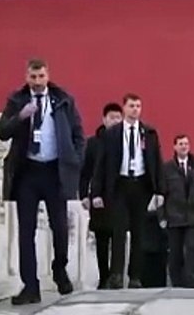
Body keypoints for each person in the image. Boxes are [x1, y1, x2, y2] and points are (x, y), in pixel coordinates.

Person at [0, 58, 85, 305]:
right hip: (28, 172)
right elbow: (2, 131)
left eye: (41, 77)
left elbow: (78, 133)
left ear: (48, 76)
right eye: (32, 77)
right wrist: (20, 117)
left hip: (55, 171)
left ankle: (59, 268)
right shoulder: (17, 100)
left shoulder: (63, 100)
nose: (36, 82)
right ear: (27, 77)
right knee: (26, 230)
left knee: (60, 227)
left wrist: (75, 160)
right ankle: (30, 286)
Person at [91, 92, 165, 289]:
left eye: (138, 106)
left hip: (141, 185)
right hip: (119, 186)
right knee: (119, 231)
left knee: (140, 233)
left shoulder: (148, 133)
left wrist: (160, 191)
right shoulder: (112, 133)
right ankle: (116, 274)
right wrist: (96, 192)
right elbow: (101, 163)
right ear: (124, 108)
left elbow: (156, 162)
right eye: (131, 106)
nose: (135, 110)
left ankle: (135, 276)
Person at [80, 101, 123, 287]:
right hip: (99, 198)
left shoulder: (126, 141)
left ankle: (117, 276)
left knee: (119, 238)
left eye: (118, 118)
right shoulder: (93, 143)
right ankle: (104, 276)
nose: (115, 121)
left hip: (120, 197)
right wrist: (83, 195)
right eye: (111, 118)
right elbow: (85, 171)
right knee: (102, 239)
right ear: (104, 119)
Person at [160, 134, 194, 287]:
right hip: (174, 216)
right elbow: (162, 193)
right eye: (181, 144)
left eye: (186, 143)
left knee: (192, 250)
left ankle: (192, 284)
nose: (184, 146)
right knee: (175, 253)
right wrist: (162, 216)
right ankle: (177, 284)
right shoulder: (167, 168)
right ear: (174, 147)